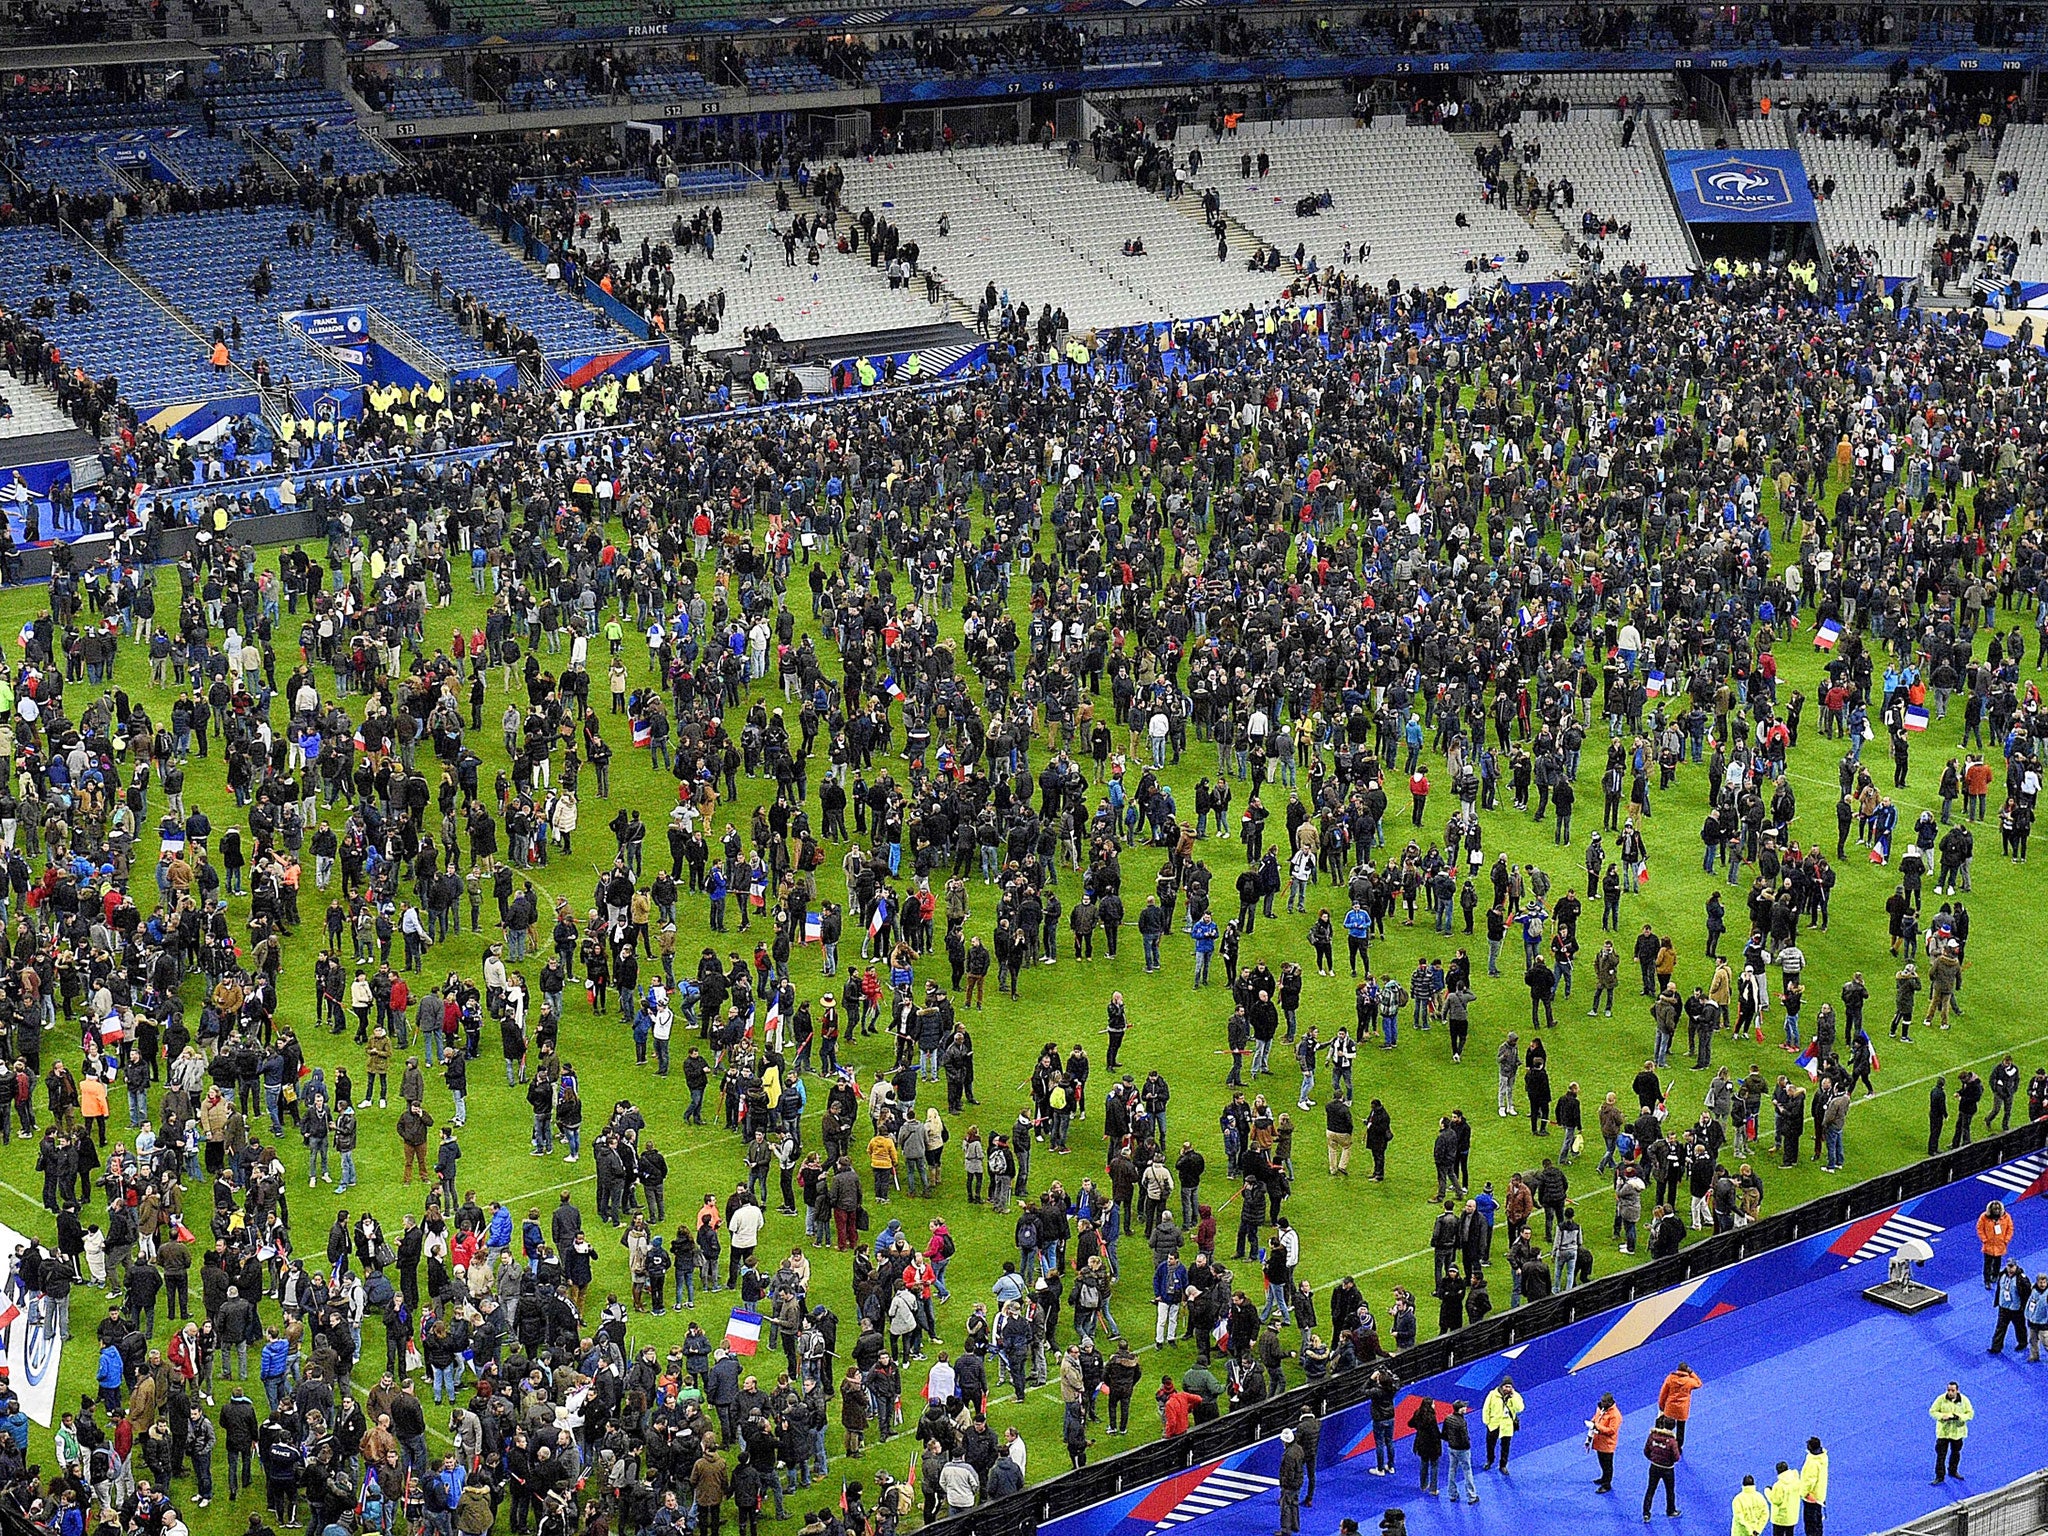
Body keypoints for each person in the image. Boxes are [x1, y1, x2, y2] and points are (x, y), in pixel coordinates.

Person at [1931, 1381, 1974, 1483]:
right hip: (1943, 1433)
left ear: (1957, 1391)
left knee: (1955, 1453)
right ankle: (1940, 1476)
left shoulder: (1964, 1400)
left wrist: (1958, 1417)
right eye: (1948, 1390)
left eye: (1952, 1390)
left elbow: (1970, 1414)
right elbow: (1933, 1411)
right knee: (1941, 1455)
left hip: (1957, 1433)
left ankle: (1953, 1471)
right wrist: (1942, 1416)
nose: (1950, 1392)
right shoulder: (1941, 1399)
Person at [1641, 1413, 1681, 1522]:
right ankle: (1670, 1510)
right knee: (1670, 1490)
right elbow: (1676, 1457)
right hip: (1668, 1469)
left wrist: (1654, 1459)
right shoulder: (1672, 1441)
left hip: (1654, 1467)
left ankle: (1646, 1513)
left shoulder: (1652, 1436)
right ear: (1673, 1427)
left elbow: (1646, 1451)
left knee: (1650, 1489)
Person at [1656, 1362, 1701, 1449]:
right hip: (1682, 1409)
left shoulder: (1670, 1378)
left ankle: (1663, 1445)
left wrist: (1661, 1405)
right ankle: (1678, 1448)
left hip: (1670, 1407)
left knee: (1667, 1427)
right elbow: (1699, 1383)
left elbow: (1663, 1393)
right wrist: (1691, 1373)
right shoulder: (1689, 1381)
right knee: (1681, 1428)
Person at [1586, 1393, 1621, 1492]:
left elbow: (1611, 1430)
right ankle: (1604, 1478)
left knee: (1607, 1465)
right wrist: (1592, 1423)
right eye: (1602, 1400)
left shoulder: (1615, 1415)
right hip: (1599, 1441)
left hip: (1607, 1444)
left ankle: (1607, 1484)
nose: (1602, 1403)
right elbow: (1596, 1418)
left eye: (1604, 1401)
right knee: (1602, 1462)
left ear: (1610, 1402)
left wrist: (1596, 1426)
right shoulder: (1600, 1408)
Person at [1800, 1437, 1828, 1536]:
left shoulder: (1812, 1463)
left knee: (1810, 1524)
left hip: (1811, 1497)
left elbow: (1809, 1481)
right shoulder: (1822, 1457)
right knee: (1818, 1522)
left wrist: (1804, 1493)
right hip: (1820, 1494)